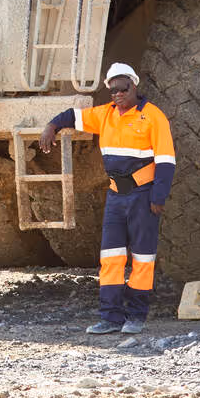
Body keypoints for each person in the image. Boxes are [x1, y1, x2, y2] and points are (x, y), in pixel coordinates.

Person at [37, 62, 175, 334]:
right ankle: (110, 318)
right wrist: (51, 127)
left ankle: (136, 316)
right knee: (111, 257)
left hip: (143, 196)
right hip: (116, 195)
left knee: (142, 258)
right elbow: (72, 116)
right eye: (112, 89)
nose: (117, 94)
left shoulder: (153, 117)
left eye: (122, 87)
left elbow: (166, 161)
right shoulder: (104, 115)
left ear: (133, 85)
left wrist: (158, 197)